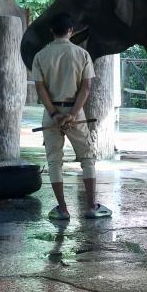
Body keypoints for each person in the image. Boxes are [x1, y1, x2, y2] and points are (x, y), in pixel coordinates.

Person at [32, 12, 112, 221]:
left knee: (54, 161)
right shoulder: (82, 54)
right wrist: (72, 115)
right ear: (71, 31)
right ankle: (92, 207)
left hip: (52, 115)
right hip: (77, 114)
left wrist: (55, 115)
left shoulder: (40, 56)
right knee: (87, 159)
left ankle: (63, 209)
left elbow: (41, 90)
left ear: (52, 31)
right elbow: (85, 89)